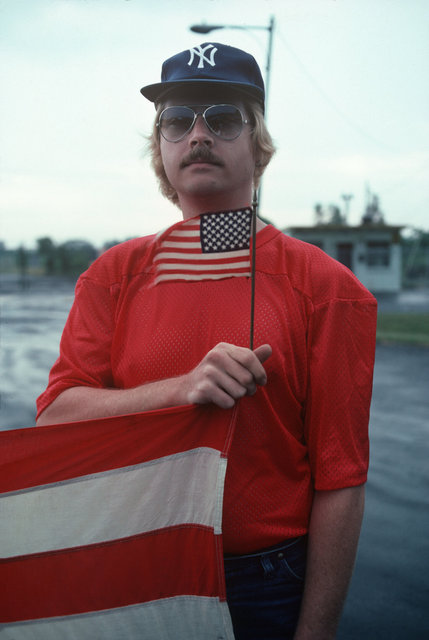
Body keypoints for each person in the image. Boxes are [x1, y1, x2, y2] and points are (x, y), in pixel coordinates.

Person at [36, 43, 377, 639]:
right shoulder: (113, 275)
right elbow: (56, 418)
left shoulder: (328, 288)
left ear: (258, 144)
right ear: (160, 147)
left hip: (264, 583)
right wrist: (179, 390)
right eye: (177, 120)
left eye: (222, 118)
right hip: (131, 562)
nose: (198, 134)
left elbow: (341, 479)